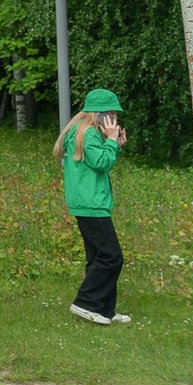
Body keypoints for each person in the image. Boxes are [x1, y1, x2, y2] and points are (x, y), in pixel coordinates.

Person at [58, 89, 130, 325]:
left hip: (88, 203)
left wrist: (114, 145)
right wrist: (111, 141)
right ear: (98, 115)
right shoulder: (88, 133)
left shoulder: (84, 133)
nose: (114, 119)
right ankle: (85, 303)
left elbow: (98, 161)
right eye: (111, 114)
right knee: (111, 257)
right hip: (92, 205)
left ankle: (104, 310)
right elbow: (101, 163)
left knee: (97, 257)